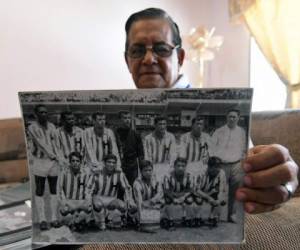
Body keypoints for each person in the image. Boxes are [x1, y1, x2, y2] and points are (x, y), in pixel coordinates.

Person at [124, 7, 299, 215]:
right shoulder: (128, 117)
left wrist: (285, 182)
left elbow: (245, 168)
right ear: (127, 60)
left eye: (161, 48)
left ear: (180, 57)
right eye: (137, 50)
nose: (148, 59)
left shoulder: (222, 110)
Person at [28, 104, 60, 230]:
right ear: (36, 114)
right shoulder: (32, 127)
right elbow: (41, 144)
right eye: (41, 112)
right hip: (40, 161)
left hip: (53, 162)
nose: (44, 114)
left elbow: (55, 143)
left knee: (53, 189)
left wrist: (58, 156)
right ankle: (42, 219)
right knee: (40, 190)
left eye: (46, 112)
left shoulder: (52, 126)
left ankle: (53, 218)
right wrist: (54, 155)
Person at [211, 109, 246, 222]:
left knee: (234, 192)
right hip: (221, 164)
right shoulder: (219, 131)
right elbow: (211, 148)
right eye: (230, 116)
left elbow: (243, 148)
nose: (232, 119)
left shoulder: (241, 132)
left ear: (238, 118)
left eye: (234, 117)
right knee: (218, 190)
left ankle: (231, 215)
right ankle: (215, 215)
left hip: (236, 164)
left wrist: (242, 161)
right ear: (226, 118)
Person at [89, 154, 136, 230]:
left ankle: (109, 219)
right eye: (109, 162)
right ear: (104, 163)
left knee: (122, 206)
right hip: (98, 197)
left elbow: (127, 188)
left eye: (113, 162)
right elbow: (89, 188)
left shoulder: (119, 174)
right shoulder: (97, 173)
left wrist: (129, 200)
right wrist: (89, 200)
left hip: (111, 199)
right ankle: (99, 222)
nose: (111, 164)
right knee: (98, 204)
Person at [58, 151, 92, 231]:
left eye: (77, 161)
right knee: (66, 213)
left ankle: (77, 221)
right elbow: (60, 189)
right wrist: (64, 202)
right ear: (69, 162)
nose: (75, 163)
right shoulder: (64, 173)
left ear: (81, 162)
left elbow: (88, 190)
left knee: (88, 208)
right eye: (73, 161)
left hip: (80, 201)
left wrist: (87, 201)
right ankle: (70, 222)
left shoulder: (85, 174)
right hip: (69, 201)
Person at [193, 156, 227, 228]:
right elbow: (196, 190)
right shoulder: (201, 172)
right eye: (215, 167)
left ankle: (212, 217)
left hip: (211, 191)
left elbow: (221, 189)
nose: (217, 170)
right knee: (198, 200)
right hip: (200, 192)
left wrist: (218, 200)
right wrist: (208, 197)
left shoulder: (221, 172)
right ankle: (197, 217)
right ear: (209, 167)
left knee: (222, 200)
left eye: (218, 167)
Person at [161, 157, 194, 230]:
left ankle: (187, 218)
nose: (180, 168)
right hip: (172, 194)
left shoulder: (189, 176)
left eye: (183, 166)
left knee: (190, 200)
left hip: (183, 194)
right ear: (174, 166)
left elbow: (190, 190)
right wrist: (174, 199)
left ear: (185, 167)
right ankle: (170, 220)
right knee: (167, 200)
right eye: (178, 166)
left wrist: (183, 197)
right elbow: (166, 190)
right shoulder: (168, 176)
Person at [115, 111, 144, 186]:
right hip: (118, 164)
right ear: (119, 120)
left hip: (132, 166)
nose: (127, 120)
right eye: (125, 118)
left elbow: (140, 153)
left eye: (129, 118)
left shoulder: (136, 134)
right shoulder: (114, 133)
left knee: (132, 186)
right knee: (119, 187)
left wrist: (141, 168)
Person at [143, 116, 177, 181]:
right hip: (154, 166)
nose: (162, 126)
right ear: (155, 125)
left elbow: (173, 154)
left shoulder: (170, 137)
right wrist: (150, 169)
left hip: (167, 166)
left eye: (164, 124)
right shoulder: (148, 138)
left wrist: (171, 167)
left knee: (167, 186)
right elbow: (147, 155)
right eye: (160, 124)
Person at [133, 160, 163, 230]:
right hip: (142, 205)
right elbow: (139, 201)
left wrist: (152, 201)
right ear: (141, 172)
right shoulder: (137, 182)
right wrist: (142, 219)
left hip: (153, 203)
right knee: (147, 226)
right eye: (145, 170)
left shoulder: (156, 179)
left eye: (150, 170)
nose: (148, 172)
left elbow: (160, 193)